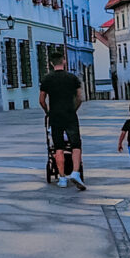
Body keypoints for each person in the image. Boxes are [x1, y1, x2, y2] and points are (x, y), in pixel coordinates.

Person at [39, 51, 86, 190]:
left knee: (58, 146)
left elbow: (41, 100)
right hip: (70, 114)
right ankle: (76, 173)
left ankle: (62, 178)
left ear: (51, 63)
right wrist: (74, 109)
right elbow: (79, 97)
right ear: (64, 61)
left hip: (55, 116)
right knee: (76, 144)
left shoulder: (47, 79)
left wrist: (48, 111)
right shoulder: (72, 78)